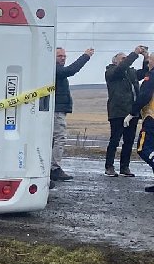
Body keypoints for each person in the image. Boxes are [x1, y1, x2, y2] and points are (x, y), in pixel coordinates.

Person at [104, 46, 149, 177]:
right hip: (118, 112)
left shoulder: (130, 72)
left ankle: (125, 167)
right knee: (115, 140)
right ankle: (109, 166)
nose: (125, 60)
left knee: (129, 141)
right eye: (122, 58)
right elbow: (120, 69)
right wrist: (134, 54)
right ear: (115, 61)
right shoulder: (111, 72)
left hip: (132, 112)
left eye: (126, 58)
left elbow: (145, 72)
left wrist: (145, 57)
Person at [52, 46, 93, 183]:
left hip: (58, 108)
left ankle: (51, 167)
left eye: (64, 56)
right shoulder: (55, 69)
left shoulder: (56, 70)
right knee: (59, 138)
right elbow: (71, 70)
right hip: (56, 110)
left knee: (54, 139)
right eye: (60, 56)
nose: (63, 58)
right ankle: (54, 168)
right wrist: (85, 56)